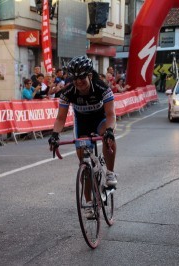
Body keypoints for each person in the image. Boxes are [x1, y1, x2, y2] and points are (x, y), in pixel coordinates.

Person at [48, 55, 117, 216]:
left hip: (101, 120)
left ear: (90, 76)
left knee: (109, 139)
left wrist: (109, 131)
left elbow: (111, 115)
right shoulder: (68, 92)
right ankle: (89, 203)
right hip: (82, 124)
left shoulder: (102, 88)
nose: (78, 82)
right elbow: (60, 118)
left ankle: (110, 173)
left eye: (82, 78)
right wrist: (54, 135)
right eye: (75, 78)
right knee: (84, 166)